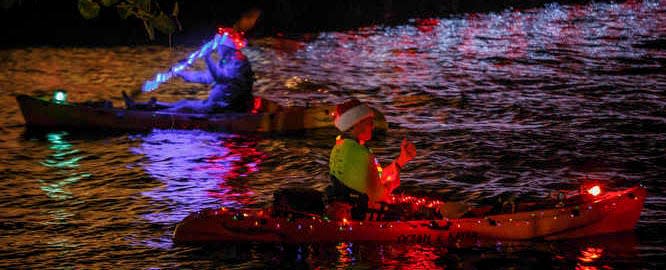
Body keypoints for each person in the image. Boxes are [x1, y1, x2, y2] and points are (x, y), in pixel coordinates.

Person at [124, 9, 261, 113]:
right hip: (218, 103)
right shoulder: (226, 61)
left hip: (226, 106)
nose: (217, 50)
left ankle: (153, 116)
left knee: (184, 106)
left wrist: (207, 58)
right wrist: (182, 74)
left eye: (219, 47)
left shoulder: (238, 61)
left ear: (226, 47)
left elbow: (220, 77)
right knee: (182, 102)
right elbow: (206, 77)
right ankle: (137, 107)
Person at [327, 98, 416, 220]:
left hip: (343, 207)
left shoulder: (340, 146)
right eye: (369, 122)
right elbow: (378, 196)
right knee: (407, 210)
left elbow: (373, 177)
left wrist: (401, 160)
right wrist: (392, 184)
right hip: (358, 214)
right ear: (356, 124)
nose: (373, 126)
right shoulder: (361, 153)